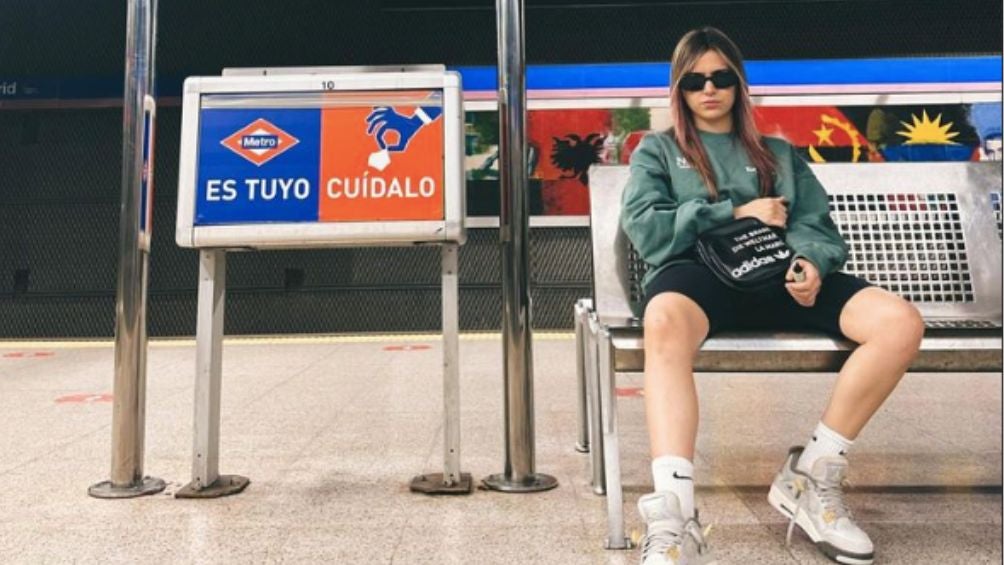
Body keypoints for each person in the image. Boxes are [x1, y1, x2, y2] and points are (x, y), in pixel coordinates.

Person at [620, 27, 924, 565]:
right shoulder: (658, 150)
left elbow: (815, 225)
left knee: (898, 322)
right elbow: (647, 230)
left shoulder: (777, 154)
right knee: (662, 319)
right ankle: (675, 514)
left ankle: (812, 475)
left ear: (738, 84)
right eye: (694, 80)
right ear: (678, 89)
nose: (708, 89)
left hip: (779, 273)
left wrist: (811, 262)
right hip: (698, 276)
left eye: (721, 78)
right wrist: (734, 211)